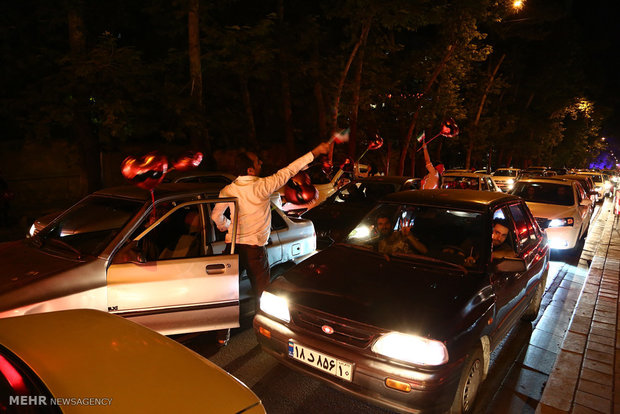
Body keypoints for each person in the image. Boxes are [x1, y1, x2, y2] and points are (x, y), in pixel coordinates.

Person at [211, 143, 330, 305]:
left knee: (225, 295)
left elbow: (216, 215)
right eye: (257, 161)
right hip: (255, 251)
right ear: (250, 170)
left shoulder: (228, 190)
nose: (261, 162)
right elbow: (289, 170)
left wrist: (227, 226)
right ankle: (262, 326)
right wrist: (315, 152)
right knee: (262, 296)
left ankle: (223, 330)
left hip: (232, 248)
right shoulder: (263, 186)